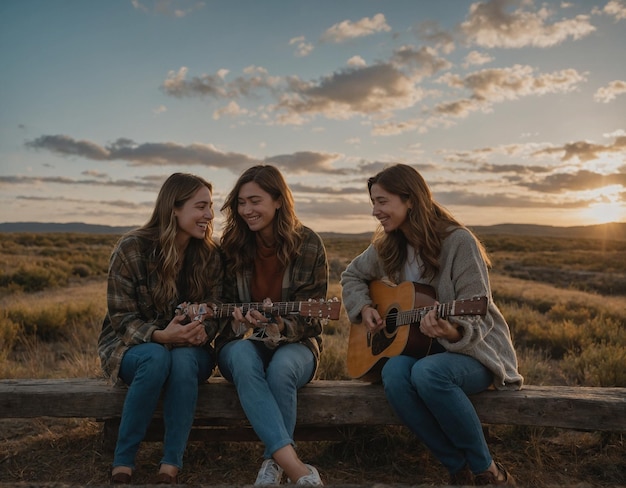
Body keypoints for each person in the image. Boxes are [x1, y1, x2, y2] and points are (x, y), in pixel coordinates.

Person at [340, 164, 522, 486]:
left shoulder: (458, 242)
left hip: (475, 352)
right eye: (373, 202)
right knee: (394, 374)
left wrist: (451, 330)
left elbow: (476, 312)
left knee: (428, 373)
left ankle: (487, 471)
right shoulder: (388, 244)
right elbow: (352, 275)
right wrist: (364, 306)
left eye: (382, 201)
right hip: (423, 349)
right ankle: (457, 467)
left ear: (409, 199)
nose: (375, 211)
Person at [98, 173, 224, 485]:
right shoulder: (131, 249)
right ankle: (123, 460)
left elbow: (217, 308)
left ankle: (171, 462)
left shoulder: (209, 254)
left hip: (189, 351)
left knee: (180, 360)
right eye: (201, 206)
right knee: (156, 357)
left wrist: (201, 331)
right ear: (174, 209)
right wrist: (161, 336)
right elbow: (121, 317)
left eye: (210, 206)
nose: (209, 215)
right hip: (129, 348)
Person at [216, 164, 328, 486]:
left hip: (296, 344)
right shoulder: (231, 246)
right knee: (241, 356)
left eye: (255, 201)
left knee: (281, 370)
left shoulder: (308, 244)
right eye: (241, 202)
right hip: (241, 342)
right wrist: (236, 321)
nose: (246, 210)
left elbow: (311, 317)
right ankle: (297, 470)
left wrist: (281, 327)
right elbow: (218, 303)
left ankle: (272, 463)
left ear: (278, 200)